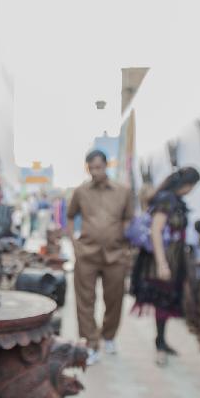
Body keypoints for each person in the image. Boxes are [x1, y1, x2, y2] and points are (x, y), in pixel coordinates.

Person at [67, 149, 134, 365]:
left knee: (115, 298)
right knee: (85, 301)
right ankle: (90, 343)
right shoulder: (80, 191)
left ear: (106, 166)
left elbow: (128, 219)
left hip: (116, 254)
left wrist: (126, 246)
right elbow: (70, 216)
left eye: (99, 167)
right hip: (87, 253)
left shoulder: (123, 191)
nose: (95, 172)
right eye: (92, 168)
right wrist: (74, 243)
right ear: (87, 168)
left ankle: (109, 335)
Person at [131, 166, 200, 365]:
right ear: (187, 184)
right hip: (164, 258)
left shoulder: (175, 201)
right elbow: (156, 230)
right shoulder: (166, 200)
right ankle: (160, 345)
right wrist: (162, 264)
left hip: (175, 258)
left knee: (167, 300)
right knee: (162, 301)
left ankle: (161, 340)